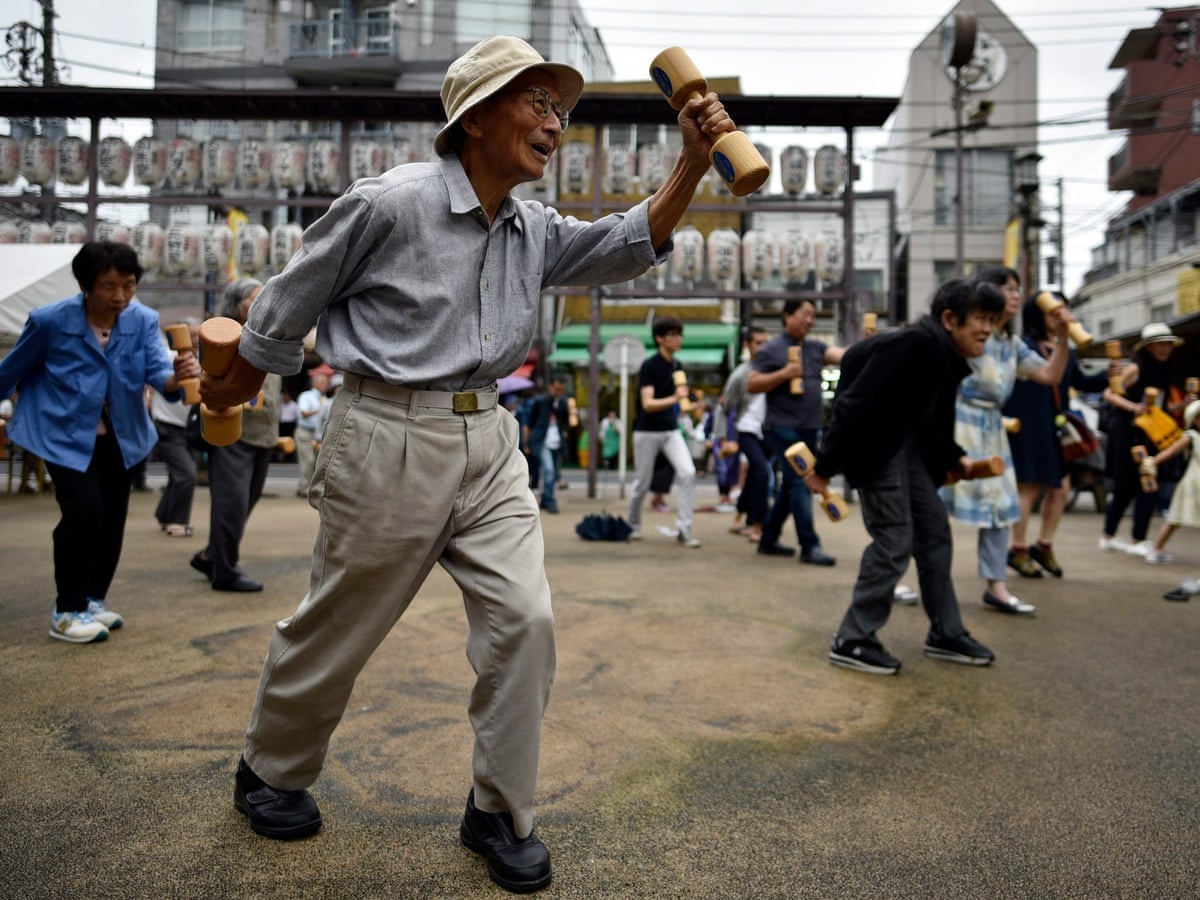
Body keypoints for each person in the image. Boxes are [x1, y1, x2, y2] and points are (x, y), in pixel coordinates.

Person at [198, 35, 738, 893]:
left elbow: (625, 242)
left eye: (560, 111)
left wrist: (693, 162)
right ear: (476, 115)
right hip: (385, 433)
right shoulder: (389, 203)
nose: (554, 125)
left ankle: (498, 810)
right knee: (339, 625)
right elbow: (286, 300)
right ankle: (270, 769)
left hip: (489, 440)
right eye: (538, 105)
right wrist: (230, 392)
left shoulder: (534, 227)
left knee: (526, 620)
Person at [0, 240, 200, 643]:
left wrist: (178, 376)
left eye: (128, 285)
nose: (120, 296)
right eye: (109, 286)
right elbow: (10, 371)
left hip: (122, 436)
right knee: (83, 512)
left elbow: (159, 374)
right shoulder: (50, 321)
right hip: (62, 435)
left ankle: (92, 600)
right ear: (86, 286)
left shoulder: (142, 320)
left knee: (112, 519)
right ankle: (66, 610)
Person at [805, 278, 1005, 675]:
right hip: (878, 449)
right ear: (950, 319)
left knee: (933, 532)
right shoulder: (913, 345)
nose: (987, 329)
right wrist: (825, 467)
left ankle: (945, 632)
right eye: (981, 319)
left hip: (905, 448)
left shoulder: (948, 357)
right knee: (895, 538)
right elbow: (854, 405)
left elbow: (933, 422)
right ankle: (853, 638)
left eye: (993, 320)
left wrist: (953, 458)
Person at [941, 268, 1071, 617]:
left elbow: (1049, 375)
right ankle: (901, 578)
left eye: (1017, 289)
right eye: (1006, 288)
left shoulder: (1013, 345)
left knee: (1000, 509)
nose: (1014, 295)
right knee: (931, 505)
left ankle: (996, 586)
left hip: (993, 430)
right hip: (955, 424)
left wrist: (1063, 338)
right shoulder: (962, 331)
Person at [1002, 293, 1109, 578]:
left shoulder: (1066, 350)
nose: (1060, 316)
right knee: (1029, 487)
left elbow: (1082, 381)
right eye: (1054, 311)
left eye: (1064, 310)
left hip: (1054, 427)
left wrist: (1113, 373)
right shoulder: (1022, 347)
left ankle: (1044, 545)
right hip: (1027, 426)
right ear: (1038, 316)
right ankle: (1018, 549)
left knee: (1061, 488)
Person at [189, 278, 281, 593]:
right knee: (231, 505)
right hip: (233, 432)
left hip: (263, 435)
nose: (261, 303)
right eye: (254, 298)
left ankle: (212, 556)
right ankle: (225, 571)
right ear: (235, 303)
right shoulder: (223, 338)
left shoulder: (267, 334)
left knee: (243, 504)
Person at [748, 298, 845, 565]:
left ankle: (768, 538)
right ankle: (809, 545)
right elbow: (752, 384)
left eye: (813, 315)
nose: (810, 320)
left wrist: (872, 346)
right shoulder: (772, 349)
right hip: (782, 428)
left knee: (792, 485)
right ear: (788, 316)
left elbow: (844, 356)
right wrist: (785, 373)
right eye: (805, 314)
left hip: (809, 427)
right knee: (802, 480)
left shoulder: (815, 347)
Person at [1099, 322, 1186, 557]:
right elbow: (1109, 393)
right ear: (1149, 347)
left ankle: (1138, 538)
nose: (1164, 349)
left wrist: (1181, 406)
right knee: (1125, 486)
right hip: (1128, 433)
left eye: (1168, 344)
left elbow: (1162, 406)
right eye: (1160, 344)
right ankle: (1108, 535)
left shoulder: (1166, 370)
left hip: (1152, 435)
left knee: (1149, 483)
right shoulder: (1136, 369)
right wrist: (1133, 407)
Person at [627, 316, 702, 548]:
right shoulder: (650, 366)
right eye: (673, 334)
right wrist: (675, 398)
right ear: (660, 338)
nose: (678, 339)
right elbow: (648, 404)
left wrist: (689, 403)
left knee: (688, 472)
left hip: (671, 429)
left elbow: (678, 399)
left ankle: (684, 530)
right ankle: (633, 526)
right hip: (647, 431)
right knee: (642, 482)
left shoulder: (677, 365)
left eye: (679, 334)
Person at [716, 326, 772, 542]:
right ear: (747, 345)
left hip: (768, 431)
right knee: (763, 472)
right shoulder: (740, 374)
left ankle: (739, 516)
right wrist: (722, 439)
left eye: (766, 342)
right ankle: (758, 526)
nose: (763, 347)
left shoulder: (774, 368)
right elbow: (724, 407)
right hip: (747, 429)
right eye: (758, 342)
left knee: (756, 475)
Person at [152, 320, 201, 537]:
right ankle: (177, 522)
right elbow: (164, 382)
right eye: (191, 335)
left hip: (187, 427)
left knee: (178, 474)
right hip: (167, 425)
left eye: (199, 336)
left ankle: (164, 514)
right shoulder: (170, 359)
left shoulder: (202, 361)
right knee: (187, 474)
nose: (196, 340)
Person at [1143, 399, 1200, 565]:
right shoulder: (1191, 437)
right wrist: (1152, 462)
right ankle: (1156, 549)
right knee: (1175, 518)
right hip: (1191, 483)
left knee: (1175, 519)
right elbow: (1170, 452)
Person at [523, 374, 570, 513]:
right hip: (542, 441)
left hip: (557, 441)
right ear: (550, 386)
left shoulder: (563, 402)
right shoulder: (540, 402)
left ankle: (545, 498)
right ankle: (550, 500)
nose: (559, 392)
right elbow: (529, 423)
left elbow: (566, 421)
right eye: (556, 388)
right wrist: (526, 442)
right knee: (548, 470)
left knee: (554, 473)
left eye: (562, 389)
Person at [294, 367, 331, 497]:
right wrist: (321, 409)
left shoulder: (324, 398)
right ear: (315, 383)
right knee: (308, 460)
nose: (326, 385)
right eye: (323, 383)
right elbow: (303, 413)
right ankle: (304, 488)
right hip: (305, 432)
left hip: (318, 434)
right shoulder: (307, 396)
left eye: (327, 383)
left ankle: (310, 488)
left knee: (317, 462)